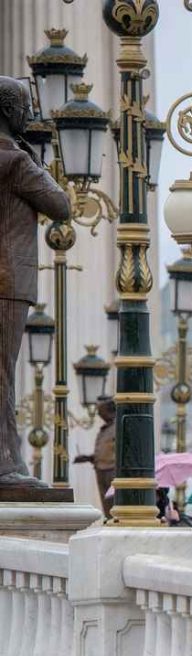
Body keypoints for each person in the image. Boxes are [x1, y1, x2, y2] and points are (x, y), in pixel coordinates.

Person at [0, 76, 70, 489]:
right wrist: (35, 156)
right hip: (8, 280)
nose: (29, 114)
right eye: (24, 107)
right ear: (10, 111)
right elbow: (60, 205)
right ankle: (7, 467)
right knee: (3, 375)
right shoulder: (16, 161)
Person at [73, 397, 115, 516]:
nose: (99, 415)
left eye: (101, 412)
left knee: (113, 501)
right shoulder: (105, 429)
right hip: (101, 469)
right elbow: (105, 451)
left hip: (112, 470)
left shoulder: (117, 427)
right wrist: (89, 458)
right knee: (106, 502)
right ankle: (108, 520)